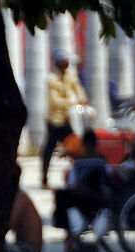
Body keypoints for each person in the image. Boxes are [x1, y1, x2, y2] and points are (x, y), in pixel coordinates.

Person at [43, 52, 82, 186]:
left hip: (65, 119)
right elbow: (55, 101)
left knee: (75, 146)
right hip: (54, 120)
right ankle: (44, 177)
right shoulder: (52, 79)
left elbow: (77, 89)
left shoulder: (69, 77)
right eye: (64, 63)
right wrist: (72, 102)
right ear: (58, 64)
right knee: (49, 149)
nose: (66, 66)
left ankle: (77, 176)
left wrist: (82, 98)